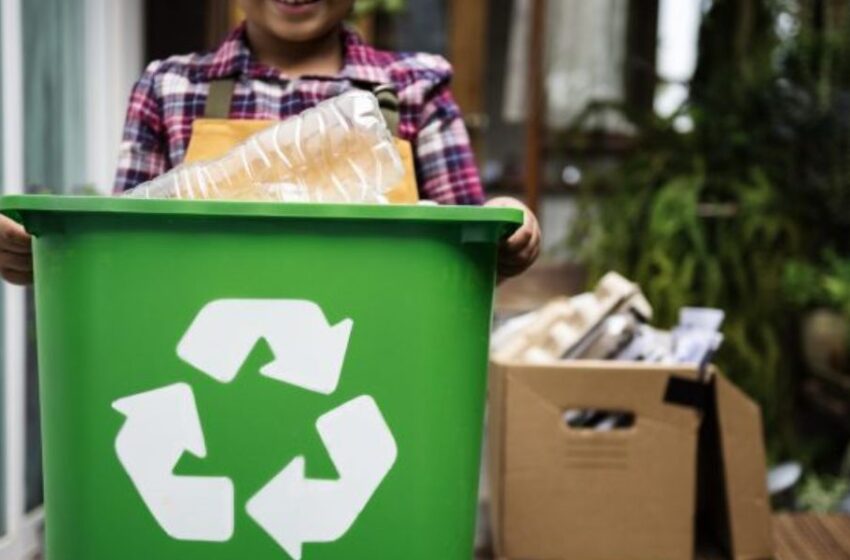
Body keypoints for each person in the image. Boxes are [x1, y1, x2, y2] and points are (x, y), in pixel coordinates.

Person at [0, 0, 540, 285]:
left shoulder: (416, 89)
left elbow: (469, 251)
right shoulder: (169, 88)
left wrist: (504, 229)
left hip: (375, 363)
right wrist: (43, 256)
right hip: (201, 361)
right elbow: (122, 257)